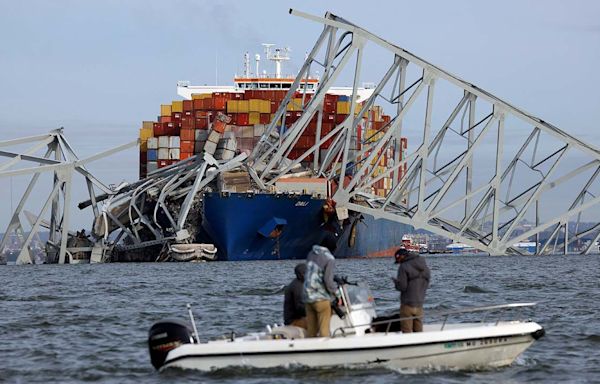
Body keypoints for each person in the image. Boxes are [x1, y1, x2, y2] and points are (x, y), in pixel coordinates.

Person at [303, 234, 340, 337]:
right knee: (324, 331)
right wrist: (338, 294)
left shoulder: (311, 254)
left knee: (311, 331)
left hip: (307, 297)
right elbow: (328, 281)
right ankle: (326, 351)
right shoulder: (329, 258)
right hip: (320, 298)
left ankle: (310, 350)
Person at [392, 247, 430, 333]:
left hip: (407, 305)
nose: (399, 263)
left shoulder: (404, 266)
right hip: (419, 304)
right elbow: (426, 282)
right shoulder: (424, 265)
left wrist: (396, 283)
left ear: (401, 257)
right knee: (418, 332)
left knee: (407, 332)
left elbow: (402, 287)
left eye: (398, 260)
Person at [283, 263, 307, 328]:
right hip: (293, 321)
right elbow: (300, 309)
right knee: (319, 321)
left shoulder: (299, 284)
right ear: (302, 274)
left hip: (296, 319)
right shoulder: (297, 287)